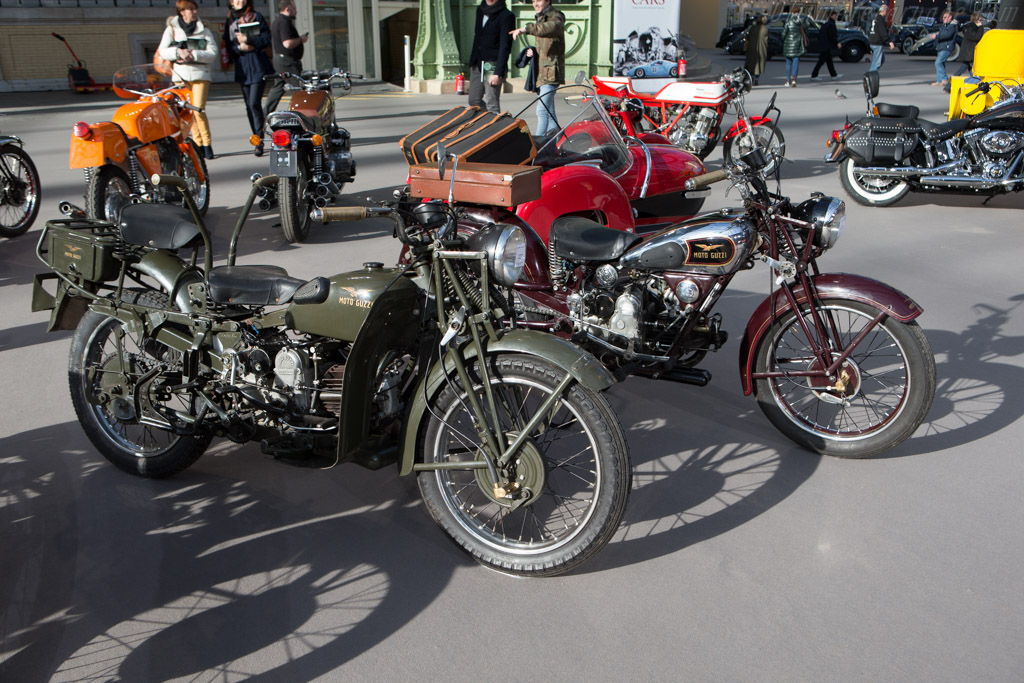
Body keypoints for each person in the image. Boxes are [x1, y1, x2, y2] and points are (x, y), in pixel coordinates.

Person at [157, 0, 217, 160]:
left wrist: (194, 54)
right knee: (188, 112)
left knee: (198, 109)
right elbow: (163, 51)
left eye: (195, 9)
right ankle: (197, 145)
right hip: (181, 76)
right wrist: (178, 53)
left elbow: (213, 53)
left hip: (200, 74)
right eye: (190, 9)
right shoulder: (172, 30)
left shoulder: (204, 29)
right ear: (182, 11)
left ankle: (207, 144)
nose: (194, 12)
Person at [223, 0, 273, 156]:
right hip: (242, 68)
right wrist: (239, 48)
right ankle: (256, 138)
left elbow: (267, 38)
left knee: (254, 103)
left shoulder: (256, 16)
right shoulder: (230, 19)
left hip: (258, 66)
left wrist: (249, 40)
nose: (240, 1)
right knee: (248, 107)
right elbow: (227, 45)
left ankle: (259, 139)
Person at [510, 0, 565, 136]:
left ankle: (538, 145)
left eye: (538, 0)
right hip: (542, 73)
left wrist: (526, 29)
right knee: (550, 112)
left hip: (551, 73)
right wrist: (534, 52)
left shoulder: (556, 16)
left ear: (547, 1)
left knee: (542, 111)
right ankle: (557, 143)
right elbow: (547, 46)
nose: (535, 4)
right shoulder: (541, 18)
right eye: (533, 1)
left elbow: (551, 28)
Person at [468, 0, 514, 114]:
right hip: (477, 61)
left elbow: (505, 46)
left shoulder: (507, 16)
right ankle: (487, 119)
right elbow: (477, 36)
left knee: (492, 103)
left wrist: (498, 72)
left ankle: (495, 128)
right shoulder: (480, 10)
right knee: (473, 101)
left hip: (493, 63)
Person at [263, 0, 309, 117]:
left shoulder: (278, 21)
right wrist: (301, 39)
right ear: (287, 9)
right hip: (288, 62)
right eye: (294, 9)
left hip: (281, 61)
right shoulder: (284, 23)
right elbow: (287, 43)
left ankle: (264, 113)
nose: (296, 12)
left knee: (278, 87)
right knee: (298, 89)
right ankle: (302, 115)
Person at [810, 11, 843, 81]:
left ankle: (833, 75)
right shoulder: (831, 25)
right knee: (821, 61)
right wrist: (837, 42)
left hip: (824, 45)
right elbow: (832, 36)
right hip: (827, 45)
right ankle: (814, 75)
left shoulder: (825, 24)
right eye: (835, 15)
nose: (836, 17)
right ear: (832, 16)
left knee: (829, 61)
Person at [930, 11, 958, 87]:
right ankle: (940, 80)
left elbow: (947, 35)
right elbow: (942, 34)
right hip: (941, 46)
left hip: (947, 47)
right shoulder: (945, 25)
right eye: (943, 17)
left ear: (950, 18)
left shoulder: (952, 26)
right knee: (941, 63)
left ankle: (944, 79)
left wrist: (936, 36)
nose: (944, 19)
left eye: (945, 17)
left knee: (938, 62)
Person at [954, 12, 985, 77]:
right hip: (969, 54)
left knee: (965, 70)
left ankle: (949, 85)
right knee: (974, 71)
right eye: (980, 20)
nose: (981, 22)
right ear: (976, 20)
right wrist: (981, 27)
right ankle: (949, 84)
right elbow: (977, 37)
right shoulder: (971, 28)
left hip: (968, 54)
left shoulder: (970, 27)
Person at [867, 4, 895, 73]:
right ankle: (872, 74)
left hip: (872, 40)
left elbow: (876, 28)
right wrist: (890, 41)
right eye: (887, 11)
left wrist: (887, 29)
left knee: (881, 59)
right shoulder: (881, 19)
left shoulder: (876, 18)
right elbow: (882, 32)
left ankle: (873, 71)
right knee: (877, 61)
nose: (887, 13)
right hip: (877, 42)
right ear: (884, 11)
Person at [781, 14, 806, 87]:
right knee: (796, 62)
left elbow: (783, 34)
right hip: (797, 45)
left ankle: (787, 80)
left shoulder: (788, 23)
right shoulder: (800, 24)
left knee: (788, 63)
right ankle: (794, 79)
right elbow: (806, 31)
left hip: (788, 45)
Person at [744, 15, 768, 86]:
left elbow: (748, 36)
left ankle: (752, 77)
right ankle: (757, 78)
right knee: (760, 64)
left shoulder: (753, 28)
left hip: (752, 48)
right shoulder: (766, 29)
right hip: (762, 48)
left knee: (751, 63)